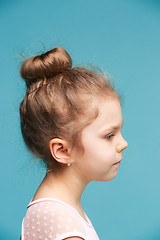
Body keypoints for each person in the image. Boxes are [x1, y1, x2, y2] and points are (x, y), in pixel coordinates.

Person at [20, 46, 128, 240]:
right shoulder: (59, 222)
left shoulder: (59, 211)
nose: (123, 144)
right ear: (62, 150)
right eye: (109, 136)